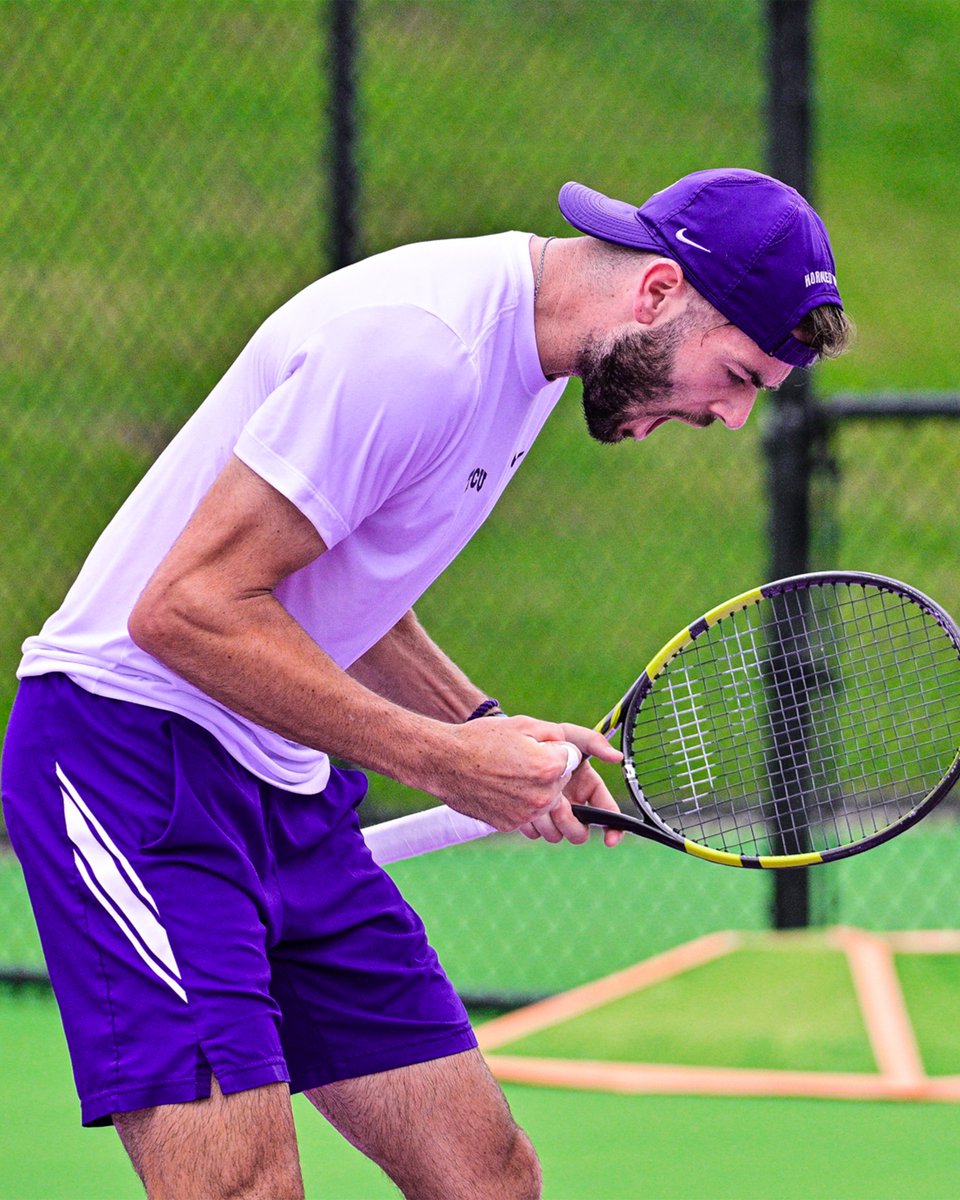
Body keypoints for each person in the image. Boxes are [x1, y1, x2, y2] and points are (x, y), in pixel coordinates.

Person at [2, 168, 850, 1199]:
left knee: (486, 1178)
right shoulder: (421, 350)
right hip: (126, 760)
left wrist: (483, 725)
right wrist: (450, 762)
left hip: (281, 780)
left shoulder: (533, 360)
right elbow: (184, 609)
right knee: (244, 1189)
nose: (727, 419)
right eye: (738, 376)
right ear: (660, 292)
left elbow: (347, 574)